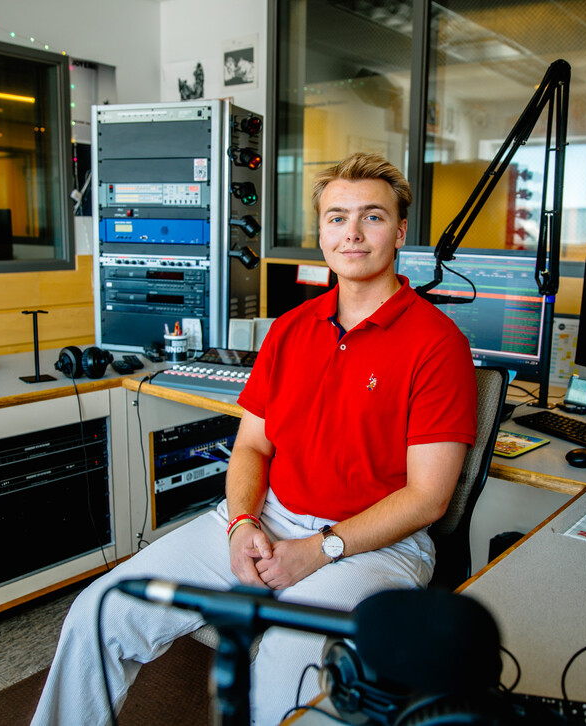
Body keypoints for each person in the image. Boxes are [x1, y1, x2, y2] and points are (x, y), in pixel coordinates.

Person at [31, 152, 478, 725]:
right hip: (268, 517)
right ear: (321, 232)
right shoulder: (290, 330)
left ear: (399, 231)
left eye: (372, 216)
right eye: (337, 217)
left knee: (284, 674)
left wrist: (317, 551)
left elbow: (428, 498)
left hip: (375, 544)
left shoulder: (437, 344)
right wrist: (242, 522)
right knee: (103, 609)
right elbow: (252, 447)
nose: (353, 233)